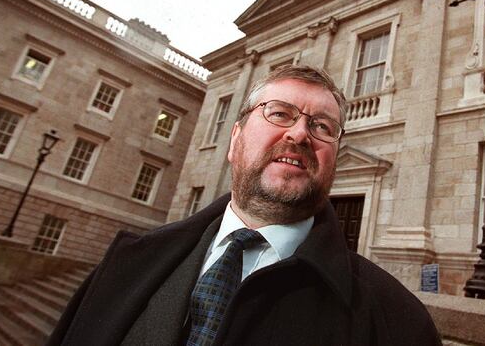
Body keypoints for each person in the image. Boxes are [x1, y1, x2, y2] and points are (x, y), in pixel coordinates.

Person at [48, 65, 441, 345]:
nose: (300, 132)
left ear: (333, 159)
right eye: (280, 113)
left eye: (323, 127)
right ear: (234, 140)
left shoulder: (396, 321)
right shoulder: (125, 265)